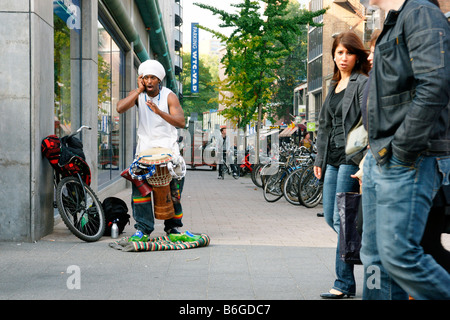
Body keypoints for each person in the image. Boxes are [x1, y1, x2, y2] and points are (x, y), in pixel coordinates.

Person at [360, 0, 450, 300]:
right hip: (381, 157)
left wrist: (401, 150)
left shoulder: (420, 12)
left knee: (400, 256)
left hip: (405, 159)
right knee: (375, 258)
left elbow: (435, 83)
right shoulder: (392, 22)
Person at [313, 31, 370, 299]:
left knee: (342, 218)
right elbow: (323, 126)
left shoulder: (362, 83)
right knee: (330, 216)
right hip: (332, 160)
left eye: (348, 52)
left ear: (357, 55)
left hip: (351, 157)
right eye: (339, 53)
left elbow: (368, 121)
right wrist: (319, 160)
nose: (343, 57)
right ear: (333, 56)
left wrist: (365, 157)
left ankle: (343, 283)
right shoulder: (332, 86)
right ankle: (361, 244)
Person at [116, 59, 186, 241]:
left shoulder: (169, 96)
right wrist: (138, 91)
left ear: (159, 80)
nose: (148, 81)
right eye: (145, 77)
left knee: (174, 189)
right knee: (140, 191)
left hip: (168, 149)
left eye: (152, 78)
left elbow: (181, 122)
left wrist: (159, 112)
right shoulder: (139, 95)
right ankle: (143, 229)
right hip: (145, 150)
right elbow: (120, 108)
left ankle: (172, 228)